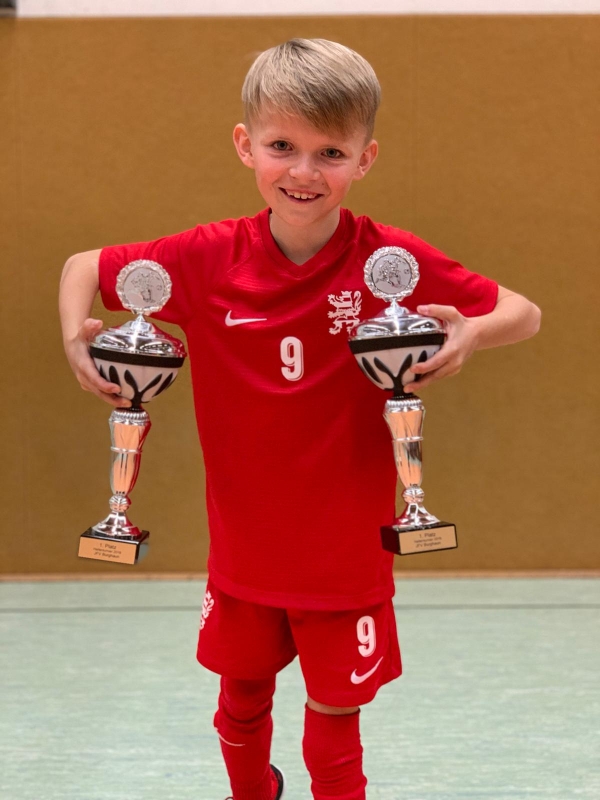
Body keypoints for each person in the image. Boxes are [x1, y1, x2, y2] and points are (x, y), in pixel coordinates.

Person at [59, 38, 541, 800]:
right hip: (245, 546)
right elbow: (83, 266)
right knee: (240, 703)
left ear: (365, 159)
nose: (305, 172)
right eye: (282, 146)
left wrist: (473, 333)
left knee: (335, 719)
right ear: (245, 145)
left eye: (331, 153)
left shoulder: (387, 260)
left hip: (345, 549)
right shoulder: (207, 258)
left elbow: (525, 312)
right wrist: (74, 341)